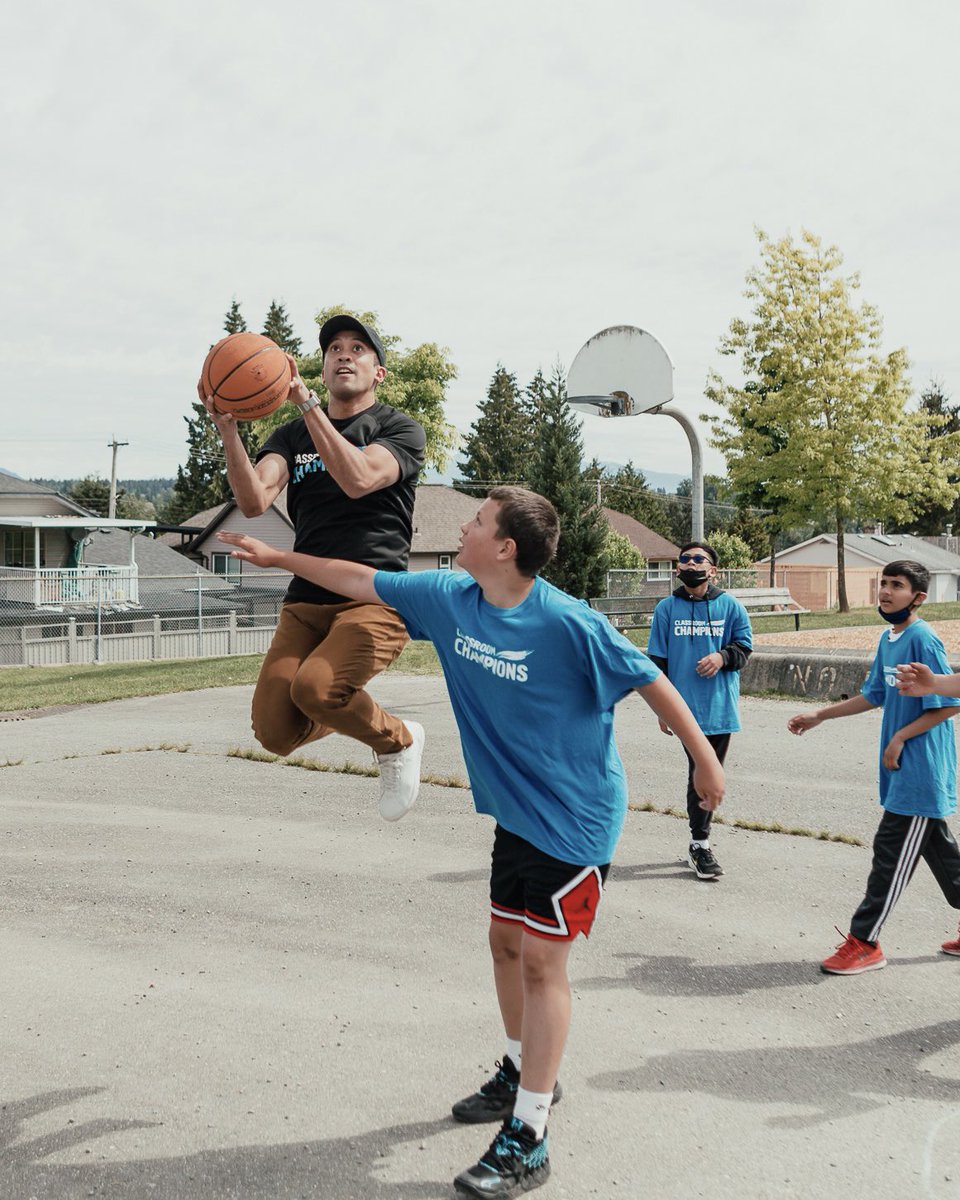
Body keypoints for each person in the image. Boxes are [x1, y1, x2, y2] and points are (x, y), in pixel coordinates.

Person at [217, 486, 725, 1198]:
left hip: (575, 821)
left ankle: (531, 1133)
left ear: (507, 547)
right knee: (505, 946)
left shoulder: (567, 622)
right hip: (515, 815)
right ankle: (523, 1066)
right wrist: (275, 556)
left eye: (478, 521)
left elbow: (650, 679)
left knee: (545, 967)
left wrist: (704, 763)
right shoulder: (453, 598)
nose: (464, 526)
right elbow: (358, 578)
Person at [199, 314, 427, 821]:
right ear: (322, 369)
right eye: (334, 350)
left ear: (379, 372)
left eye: (358, 349)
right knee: (275, 733)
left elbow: (359, 478)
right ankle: (338, 705)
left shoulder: (399, 429)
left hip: (374, 596)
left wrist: (305, 403)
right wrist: (228, 430)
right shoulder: (290, 435)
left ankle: (399, 739)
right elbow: (255, 499)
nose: (344, 354)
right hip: (307, 601)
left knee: (316, 689)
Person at [787, 560, 960, 975]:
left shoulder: (922, 637)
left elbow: (950, 700)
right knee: (941, 854)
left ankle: (865, 942)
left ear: (917, 597)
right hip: (902, 771)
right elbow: (875, 695)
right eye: (882, 583)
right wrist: (821, 715)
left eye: (896, 585)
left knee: (890, 852)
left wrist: (901, 737)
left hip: (920, 769)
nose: (885, 591)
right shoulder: (889, 637)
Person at [645, 541, 752, 879]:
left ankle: (699, 840)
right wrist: (661, 709)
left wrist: (722, 657)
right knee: (701, 774)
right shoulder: (665, 609)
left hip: (720, 709)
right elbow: (657, 663)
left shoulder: (730, 606)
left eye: (699, 559)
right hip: (683, 709)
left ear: (713, 570)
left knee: (707, 773)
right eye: (685, 560)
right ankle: (700, 844)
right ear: (678, 569)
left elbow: (745, 647)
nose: (691, 564)